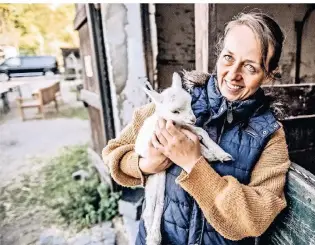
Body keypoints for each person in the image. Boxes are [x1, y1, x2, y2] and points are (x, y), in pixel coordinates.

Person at [102, 11, 291, 245]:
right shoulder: (178, 101)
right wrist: (145, 164)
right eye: (228, 58)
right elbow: (114, 153)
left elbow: (254, 219)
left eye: (250, 68)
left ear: (269, 75)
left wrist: (194, 165)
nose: (233, 75)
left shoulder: (269, 135)